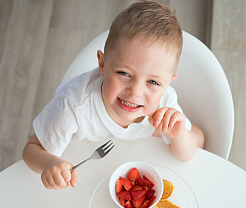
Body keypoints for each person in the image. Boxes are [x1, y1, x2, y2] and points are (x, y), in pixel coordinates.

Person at [23, 1, 205, 190]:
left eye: (153, 82)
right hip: (93, 156)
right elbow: (32, 149)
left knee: (196, 138)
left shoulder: (165, 103)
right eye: (124, 74)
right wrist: (48, 164)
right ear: (102, 65)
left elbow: (187, 154)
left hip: (143, 140)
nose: (135, 92)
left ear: (167, 83)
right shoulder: (73, 107)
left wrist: (179, 135)